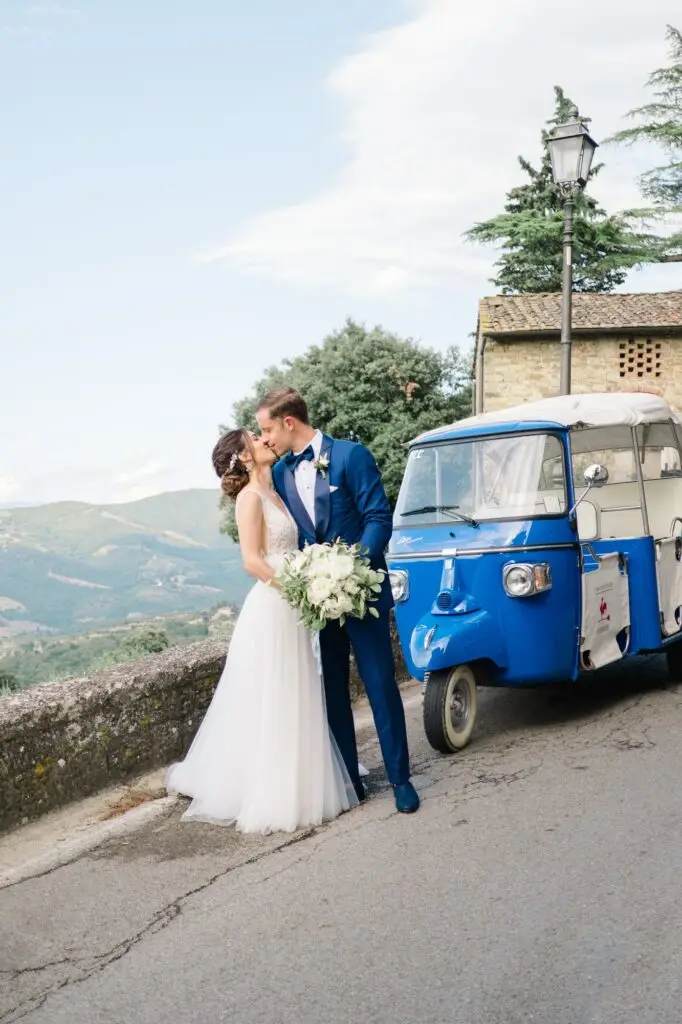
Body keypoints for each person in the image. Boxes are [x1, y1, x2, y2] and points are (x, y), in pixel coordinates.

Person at [165, 429, 358, 834]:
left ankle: (302, 777)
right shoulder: (250, 499)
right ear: (245, 456)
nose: (263, 438)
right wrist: (301, 590)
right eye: (254, 437)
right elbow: (252, 562)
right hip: (274, 605)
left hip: (291, 604)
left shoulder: (275, 493)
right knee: (275, 692)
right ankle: (275, 790)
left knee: (297, 689)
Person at [257, 387, 420, 815]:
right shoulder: (281, 474)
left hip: (361, 592)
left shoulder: (351, 455)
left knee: (381, 685)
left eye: (267, 428)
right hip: (319, 602)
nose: (266, 438)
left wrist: (353, 570)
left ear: (289, 422)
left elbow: (377, 518)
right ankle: (350, 781)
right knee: (333, 692)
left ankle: (402, 779)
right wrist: (316, 582)